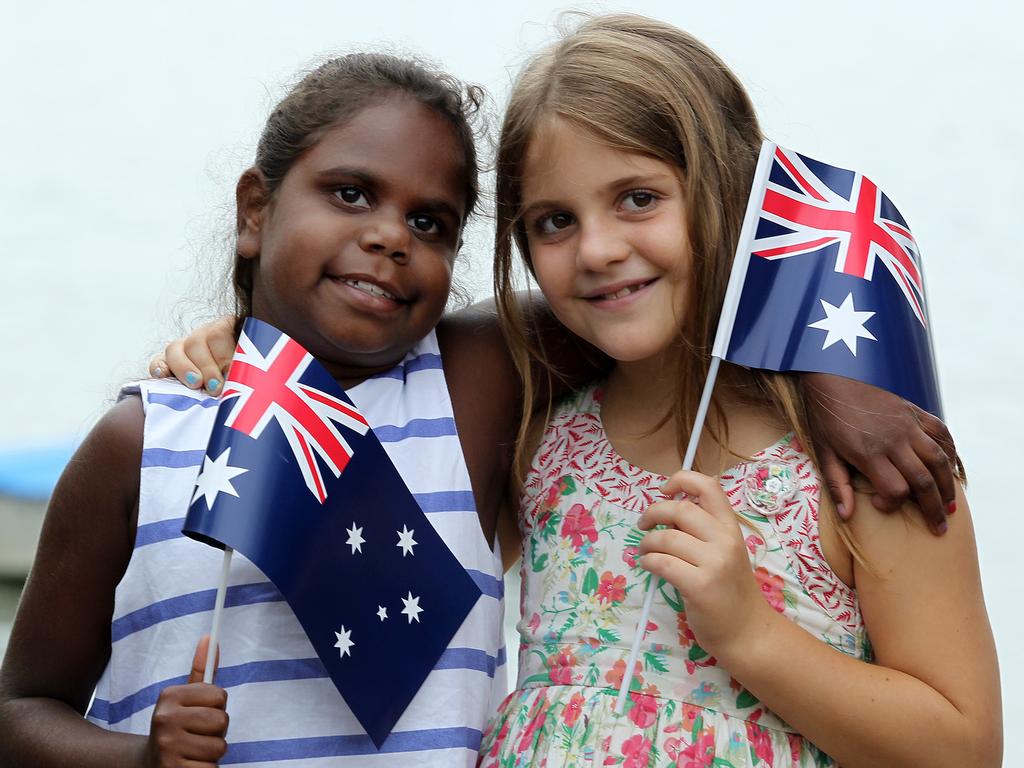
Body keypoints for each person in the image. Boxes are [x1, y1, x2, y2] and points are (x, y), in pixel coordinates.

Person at [478, 14, 1000, 767]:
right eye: (555, 221)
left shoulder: (867, 465)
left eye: (638, 198)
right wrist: (242, 337)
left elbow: (965, 749)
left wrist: (749, 632)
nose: (596, 248)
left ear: (728, 190)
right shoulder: (536, 442)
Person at [0, 53, 520, 767]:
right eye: (350, 193)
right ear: (255, 210)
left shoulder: (473, 388)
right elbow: (21, 711)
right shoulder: (140, 440)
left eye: (430, 222)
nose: (392, 236)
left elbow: (620, 293)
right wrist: (140, 758)